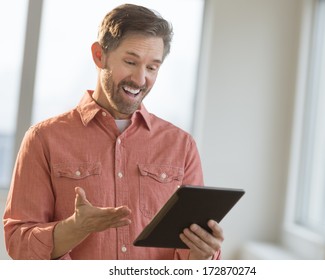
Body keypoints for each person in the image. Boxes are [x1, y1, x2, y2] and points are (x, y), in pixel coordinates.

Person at [3, 4, 223, 260]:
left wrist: (204, 255)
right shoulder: (43, 139)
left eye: (152, 68)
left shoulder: (182, 146)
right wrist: (75, 228)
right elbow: (19, 244)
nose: (140, 80)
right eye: (130, 62)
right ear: (99, 56)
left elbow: (190, 257)